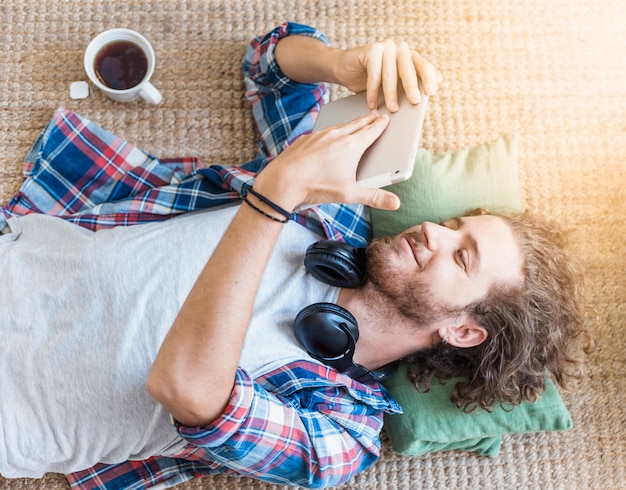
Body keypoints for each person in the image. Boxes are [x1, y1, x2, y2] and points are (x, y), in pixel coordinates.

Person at [0, 22, 588, 490]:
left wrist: (274, 195)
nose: (433, 229)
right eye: (454, 223)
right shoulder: (333, 209)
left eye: (461, 257)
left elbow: (185, 387)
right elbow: (269, 63)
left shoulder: (341, 430)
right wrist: (340, 66)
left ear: (463, 331)